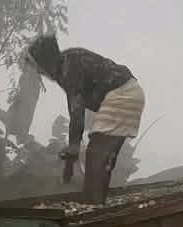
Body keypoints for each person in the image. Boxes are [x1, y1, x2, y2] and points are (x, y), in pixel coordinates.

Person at [26, 35, 145, 205]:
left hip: (122, 94)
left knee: (98, 154)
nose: (40, 73)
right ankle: (96, 202)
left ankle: (93, 205)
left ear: (46, 62)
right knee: (101, 155)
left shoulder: (69, 67)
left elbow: (76, 111)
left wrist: (73, 147)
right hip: (124, 93)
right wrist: (70, 160)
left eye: (39, 68)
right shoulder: (68, 62)